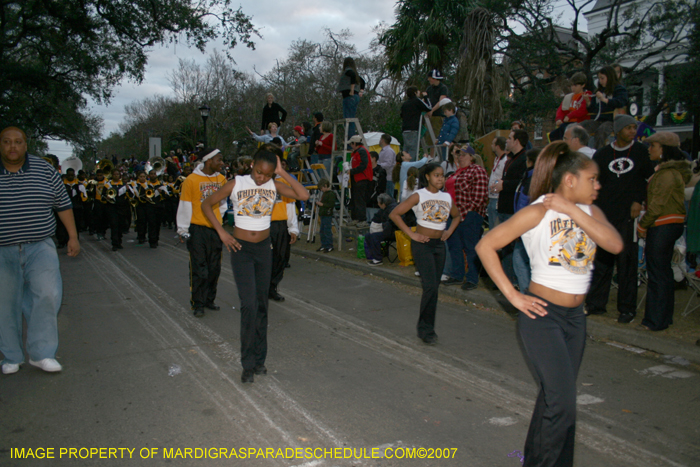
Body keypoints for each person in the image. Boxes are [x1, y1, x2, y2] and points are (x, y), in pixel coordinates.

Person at [476, 142, 623, 467]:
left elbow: (614, 244)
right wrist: (513, 296)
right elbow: (486, 245)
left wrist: (572, 211)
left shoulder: (590, 212)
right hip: (542, 316)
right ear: (570, 179)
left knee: (554, 400)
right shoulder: (538, 211)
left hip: (575, 319)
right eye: (592, 179)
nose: (598, 186)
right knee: (563, 404)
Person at [201, 146, 309, 383]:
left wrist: (281, 172)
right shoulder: (236, 184)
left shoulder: (273, 185)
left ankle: (260, 360)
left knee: (261, 305)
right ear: (252, 165)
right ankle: (247, 363)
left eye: (268, 174)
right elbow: (207, 204)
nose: (262, 178)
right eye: (259, 172)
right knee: (249, 305)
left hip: (263, 250)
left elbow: (303, 195)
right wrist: (222, 233)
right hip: (241, 250)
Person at [0, 126, 81, 374]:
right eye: (6, 142)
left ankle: (42, 353)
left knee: (47, 295)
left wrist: (73, 236)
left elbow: (63, 204)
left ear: (26, 145)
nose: (12, 146)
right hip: (3, 249)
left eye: (18, 142)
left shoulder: (44, 169)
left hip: (40, 245)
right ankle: (11, 356)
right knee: (5, 303)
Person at [585, 115, 654, 323]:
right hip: (605, 215)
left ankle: (627, 308)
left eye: (634, 128)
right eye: (629, 128)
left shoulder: (641, 152)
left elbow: (648, 180)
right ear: (618, 130)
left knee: (627, 263)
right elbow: (593, 182)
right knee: (602, 261)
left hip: (628, 217)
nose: (633, 131)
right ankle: (596, 303)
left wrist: (638, 200)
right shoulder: (603, 154)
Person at [390, 163, 460, 345]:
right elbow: (395, 214)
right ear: (427, 177)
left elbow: (457, 216)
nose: (440, 179)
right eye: (436, 175)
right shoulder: (419, 195)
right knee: (430, 287)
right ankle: (426, 330)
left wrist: (449, 231)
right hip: (423, 245)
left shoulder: (446, 197)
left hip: (439, 246)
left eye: (442, 175)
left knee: (433, 288)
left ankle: (427, 327)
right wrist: (412, 234)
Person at [637, 132, 692, 331]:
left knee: (657, 274)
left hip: (662, 224)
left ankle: (655, 320)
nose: (650, 149)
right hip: (670, 223)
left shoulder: (667, 174)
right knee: (664, 273)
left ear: (663, 149)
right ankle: (663, 318)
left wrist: (643, 224)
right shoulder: (671, 172)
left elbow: (657, 204)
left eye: (653, 146)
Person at [176, 148, 227, 318]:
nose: (222, 163)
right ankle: (198, 303)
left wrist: (219, 221)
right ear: (209, 161)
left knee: (214, 268)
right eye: (219, 160)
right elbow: (185, 205)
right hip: (197, 229)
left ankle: (209, 299)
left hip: (215, 230)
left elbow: (223, 204)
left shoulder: (221, 179)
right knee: (199, 268)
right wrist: (183, 229)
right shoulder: (191, 180)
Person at [442, 145, 489, 290]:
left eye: (463, 154)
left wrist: (470, 210)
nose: (460, 157)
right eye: (458, 155)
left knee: (470, 247)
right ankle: (457, 274)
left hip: (468, 214)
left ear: (472, 157)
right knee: (454, 245)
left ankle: (472, 278)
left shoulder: (477, 170)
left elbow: (481, 195)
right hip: (453, 214)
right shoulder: (456, 172)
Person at [492, 129, 529, 283]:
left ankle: (515, 281)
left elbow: (524, 182)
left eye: (509, 138)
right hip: (503, 207)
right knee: (505, 247)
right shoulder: (510, 159)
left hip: (514, 210)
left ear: (517, 141)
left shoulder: (525, 159)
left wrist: (504, 184)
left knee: (514, 249)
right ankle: (508, 280)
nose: (506, 140)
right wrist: (499, 184)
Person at [268, 163, 300, 302]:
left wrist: (293, 228)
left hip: (280, 226)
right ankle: (260, 288)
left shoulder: (283, 183)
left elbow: (290, 205)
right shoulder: (257, 183)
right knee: (265, 259)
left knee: (280, 258)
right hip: (263, 226)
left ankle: (272, 288)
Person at [549, 72, 591, 141]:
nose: (573, 88)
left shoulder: (586, 95)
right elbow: (561, 109)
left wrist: (569, 116)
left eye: (575, 85)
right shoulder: (569, 97)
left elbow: (582, 110)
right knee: (553, 134)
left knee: (564, 129)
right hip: (567, 122)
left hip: (579, 121)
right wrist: (559, 118)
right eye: (571, 85)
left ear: (583, 85)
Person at [347, 135, 373, 227]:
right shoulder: (357, 152)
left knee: (359, 200)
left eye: (351, 143)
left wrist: (352, 171)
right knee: (355, 199)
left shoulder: (362, 151)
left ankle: (362, 219)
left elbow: (363, 165)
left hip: (362, 178)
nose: (350, 145)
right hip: (356, 178)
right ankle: (356, 218)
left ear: (354, 143)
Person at [400, 86, 432, 160]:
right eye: (418, 92)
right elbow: (429, 108)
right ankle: (411, 168)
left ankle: (403, 166)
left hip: (405, 130)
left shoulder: (405, 104)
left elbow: (402, 115)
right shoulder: (417, 101)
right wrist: (426, 97)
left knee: (405, 150)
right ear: (415, 93)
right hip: (413, 129)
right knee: (413, 151)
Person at [366, 193, 398, 266]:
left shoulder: (391, 209)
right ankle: (376, 256)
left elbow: (390, 224)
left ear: (383, 204)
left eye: (379, 203)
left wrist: (381, 227)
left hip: (393, 231)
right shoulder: (386, 208)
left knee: (374, 236)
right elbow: (377, 217)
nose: (378, 205)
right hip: (388, 229)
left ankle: (378, 259)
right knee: (368, 236)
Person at [337, 57, 365, 138]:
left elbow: (352, 75)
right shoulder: (355, 73)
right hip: (355, 97)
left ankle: (350, 141)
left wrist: (352, 90)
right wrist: (361, 92)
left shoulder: (348, 71)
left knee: (348, 120)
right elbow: (362, 81)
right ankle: (351, 140)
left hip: (349, 97)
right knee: (351, 119)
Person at [422, 69, 449, 153]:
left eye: (430, 78)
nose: (429, 79)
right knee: (429, 136)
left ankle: (439, 154)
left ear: (434, 78)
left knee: (437, 135)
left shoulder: (443, 88)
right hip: (430, 116)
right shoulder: (429, 88)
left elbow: (441, 101)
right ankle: (430, 155)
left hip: (438, 115)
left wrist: (432, 110)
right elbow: (425, 100)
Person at [105, 168, 130, 252]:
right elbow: (103, 195)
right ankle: (114, 243)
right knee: (114, 225)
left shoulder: (123, 184)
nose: (116, 176)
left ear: (120, 176)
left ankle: (119, 242)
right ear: (112, 175)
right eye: (114, 174)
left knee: (120, 225)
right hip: (112, 208)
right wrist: (107, 197)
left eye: (117, 174)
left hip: (122, 208)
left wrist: (127, 189)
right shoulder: (107, 185)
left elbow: (130, 195)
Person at [487, 136, 508, 231]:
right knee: (491, 226)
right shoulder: (497, 159)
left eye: (493, 144)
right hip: (491, 196)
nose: (491, 146)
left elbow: (503, 178)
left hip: (498, 198)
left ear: (498, 146)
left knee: (496, 227)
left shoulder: (505, 160)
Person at [316, 178, 336, 252]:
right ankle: (324, 245)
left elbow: (331, 204)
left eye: (322, 188)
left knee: (327, 230)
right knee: (322, 230)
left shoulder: (331, 194)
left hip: (327, 214)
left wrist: (322, 204)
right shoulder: (326, 193)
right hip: (324, 214)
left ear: (325, 186)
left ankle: (329, 245)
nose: (321, 190)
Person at [367, 151, 387, 221]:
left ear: (374, 158)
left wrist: (374, 197)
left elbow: (381, 188)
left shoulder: (380, 172)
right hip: (366, 202)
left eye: (369, 157)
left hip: (374, 203)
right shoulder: (366, 170)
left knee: (374, 221)